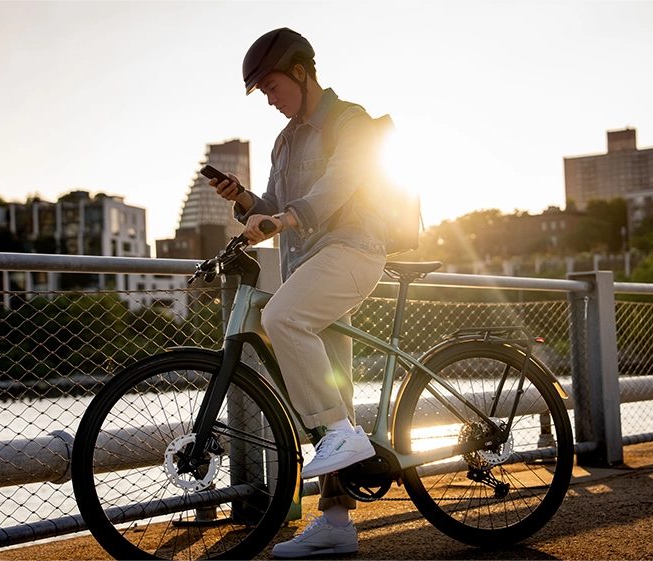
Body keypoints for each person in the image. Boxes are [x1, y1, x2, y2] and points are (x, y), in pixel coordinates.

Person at [208, 27, 388, 558]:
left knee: (282, 319)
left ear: (302, 72)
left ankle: (342, 435)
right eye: (261, 90)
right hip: (309, 265)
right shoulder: (284, 141)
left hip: (353, 251)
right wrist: (242, 198)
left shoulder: (348, 120)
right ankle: (336, 523)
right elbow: (276, 206)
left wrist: (286, 217)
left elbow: (339, 186)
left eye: (271, 85)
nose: (268, 97)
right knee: (333, 398)